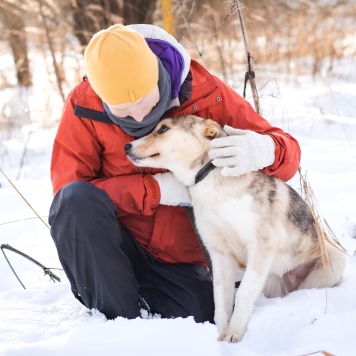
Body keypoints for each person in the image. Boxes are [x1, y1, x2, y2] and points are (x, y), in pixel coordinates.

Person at [49, 24, 301, 322]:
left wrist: (266, 150)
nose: (140, 117)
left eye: (146, 101)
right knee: (74, 200)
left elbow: (289, 155)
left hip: (177, 259)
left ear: (157, 75)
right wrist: (157, 190)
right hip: (115, 248)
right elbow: (70, 195)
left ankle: (147, 305)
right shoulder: (83, 105)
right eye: (123, 112)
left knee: (198, 316)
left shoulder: (207, 93)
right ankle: (118, 326)